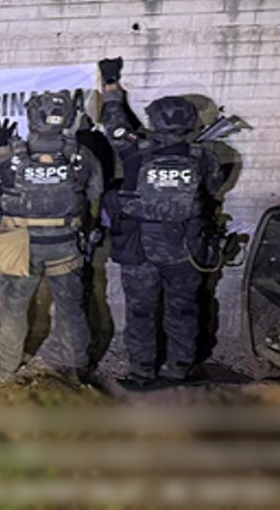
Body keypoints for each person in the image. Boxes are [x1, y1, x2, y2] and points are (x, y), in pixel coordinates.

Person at [97, 57, 224, 387]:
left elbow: (113, 121)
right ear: (192, 122)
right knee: (183, 310)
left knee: (141, 313)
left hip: (141, 250)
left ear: (153, 121)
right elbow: (214, 190)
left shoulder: (135, 151)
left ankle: (142, 373)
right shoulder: (205, 156)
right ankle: (179, 369)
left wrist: (110, 83)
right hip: (187, 249)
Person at [0, 91, 102, 378]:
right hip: (65, 242)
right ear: (67, 118)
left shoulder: (8, 154)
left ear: (32, 117)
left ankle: (5, 363)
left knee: (13, 307)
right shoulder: (82, 156)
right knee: (71, 307)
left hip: (17, 242)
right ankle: (77, 365)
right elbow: (95, 191)